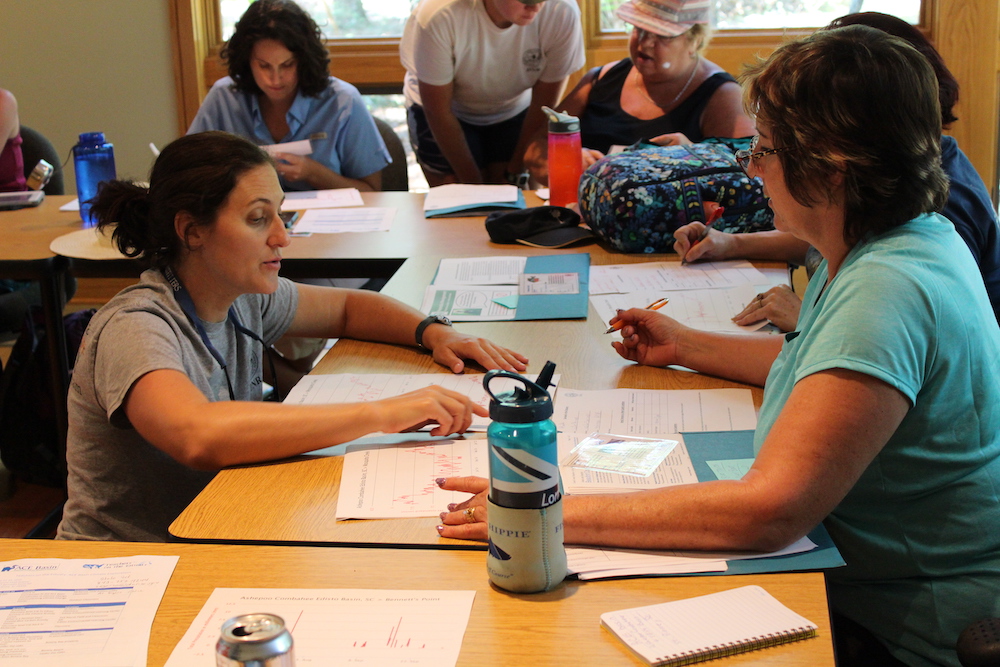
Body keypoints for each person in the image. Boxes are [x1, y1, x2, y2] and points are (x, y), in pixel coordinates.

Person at [438, 27, 1000, 667]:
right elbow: (825, 374)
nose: (753, 171)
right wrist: (686, 345)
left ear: (834, 167)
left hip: (908, 627)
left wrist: (540, 507)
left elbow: (768, 512)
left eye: (762, 152)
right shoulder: (892, 241)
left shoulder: (887, 288)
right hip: (861, 579)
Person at [55, 131, 528, 543]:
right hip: (125, 562)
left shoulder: (239, 295)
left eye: (280, 215)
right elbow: (195, 435)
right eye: (259, 219)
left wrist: (434, 332)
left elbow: (347, 309)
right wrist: (380, 413)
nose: (282, 236)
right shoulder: (137, 325)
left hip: (212, 529)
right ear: (191, 231)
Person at [675, 12, 1000, 331]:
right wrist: (731, 244)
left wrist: (808, 322)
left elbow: (907, 329)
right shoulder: (866, 220)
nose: (755, 168)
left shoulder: (917, 240)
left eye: (767, 149)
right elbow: (827, 229)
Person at [524, 0, 755, 185]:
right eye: (638, 29)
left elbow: (751, 176)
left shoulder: (723, 96)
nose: (644, 44)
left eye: (661, 35)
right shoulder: (601, 79)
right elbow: (536, 148)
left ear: (695, 40)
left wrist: (692, 159)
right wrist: (567, 162)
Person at [187, 0, 389, 192]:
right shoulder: (224, 97)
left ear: (304, 60)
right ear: (246, 61)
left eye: (287, 65)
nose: (275, 79)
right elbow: (190, 174)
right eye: (264, 66)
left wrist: (313, 173)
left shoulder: (343, 101)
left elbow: (371, 191)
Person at [400, 0, 585, 186]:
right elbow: (438, 112)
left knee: (513, 198)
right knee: (463, 202)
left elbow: (543, 104)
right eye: (527, 0)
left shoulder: (562, 10)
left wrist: (515, 172)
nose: (535, 7)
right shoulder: (439, 14)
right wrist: (475, 188)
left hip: (513, 107)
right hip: (445, 114)